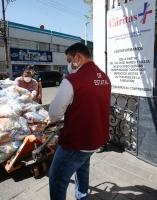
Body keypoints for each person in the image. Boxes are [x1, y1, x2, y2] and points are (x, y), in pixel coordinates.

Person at [48, 43, 111, 200]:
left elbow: (54, 114)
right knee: (82, 167)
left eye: (70, 60)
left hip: (76, 141)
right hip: (95, 139)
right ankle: (82, 196)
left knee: (56, 179)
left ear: (78, 57)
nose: (69, 65)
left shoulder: (72, 80)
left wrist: (56, 118)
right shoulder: (104, 77)